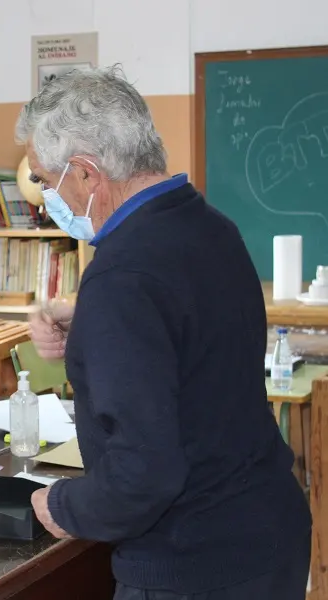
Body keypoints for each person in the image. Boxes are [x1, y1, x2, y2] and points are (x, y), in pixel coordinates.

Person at [16, 67, 311, 600]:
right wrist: (89, 331)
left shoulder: (121, 277)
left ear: (85, 173)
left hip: (195, 561)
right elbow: (193, 343)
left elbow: (144, 476)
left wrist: (59, 505)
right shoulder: (207, 226)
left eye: (43, 179)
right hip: (266, 530)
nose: (43, 198)